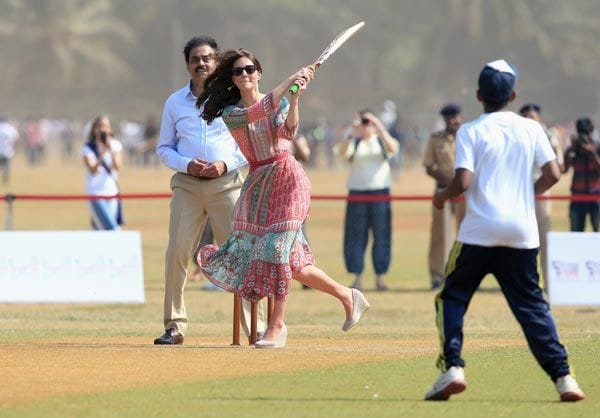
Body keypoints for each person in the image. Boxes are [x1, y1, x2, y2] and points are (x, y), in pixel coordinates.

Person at [425, 59, 585, 402]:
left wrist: (441, 196)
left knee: (450, 297)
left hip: (479, 232)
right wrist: (527, 194)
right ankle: (564, 378)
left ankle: (452, 367)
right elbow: (554, 173)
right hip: (521, 234)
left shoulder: (470, 130)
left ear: (479, 95)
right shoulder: (531, 128)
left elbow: (463, 181)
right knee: (533, 307)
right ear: (513, 95)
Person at [197, 49, 370, 348]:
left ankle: (276, 327)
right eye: (238, 72)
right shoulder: (232, 114)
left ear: (259, 72)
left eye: (250, 69)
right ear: (232, 79)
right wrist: (291, 80)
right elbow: (259, 111)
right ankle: (348, 295)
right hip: (258, 185)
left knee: (277, 251)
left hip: (289, 180)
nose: (245, 75)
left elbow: (288, 133)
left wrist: (296, 99)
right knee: (293, 264)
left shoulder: (280, 100)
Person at [154, 36, 266, 345]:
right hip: (187, 186)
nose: (201, 63)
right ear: (188, 65)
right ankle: (174, 326)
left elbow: (250, 145)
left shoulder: (234, 99)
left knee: (239, 255)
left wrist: (225, 164)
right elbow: (163, 148)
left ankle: (255, 328)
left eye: (207, 58)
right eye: (195, 59)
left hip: (226, 185)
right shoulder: (175, 102)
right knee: (176, 251)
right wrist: (187, 164)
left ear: (216, 63)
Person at [338, 110, 399, 292]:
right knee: (355, 237)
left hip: (380, 193)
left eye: (368, 122)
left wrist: (379, 126)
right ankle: (357, 278)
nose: (366, 125)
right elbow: (342, 152)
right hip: (357, 194)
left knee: (381, 236)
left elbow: (393, 148)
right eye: (363, 122)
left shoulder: (380, 142)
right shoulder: (354, 142)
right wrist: (352, 129)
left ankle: (380, 278)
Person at [519, 103, 565, 283]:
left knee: (543, 236)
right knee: (522, 237)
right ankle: (526, 279)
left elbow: (557, 168)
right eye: (525, 117)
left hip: (540, 187)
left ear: (539, 118)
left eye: (532, 117)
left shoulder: (547, 136)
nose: (529, 120)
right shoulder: (517, 135)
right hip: (519, 189)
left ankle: (547, 280)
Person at [423, 103, 466, 290]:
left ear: (460, 117)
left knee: (466, 234)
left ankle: (465, 274)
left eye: (455, 116)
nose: (452, 120)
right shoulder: (436, 139)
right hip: (442, 190)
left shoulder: (468, 136)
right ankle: (437, 276)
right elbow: (428, 166)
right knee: (439, 235)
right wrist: (446, 179)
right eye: (449, 117)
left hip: (464, 192)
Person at [82, 115, 123, 230]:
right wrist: (101, 153)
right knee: (111, 228)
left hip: (112, 193)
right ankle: (122, 242)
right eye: (99, 126)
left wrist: (111, 149)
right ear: (94, 130)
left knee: (99, 230)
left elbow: (117, 166)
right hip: (96, 194)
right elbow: (92, 170)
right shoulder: (88, 147)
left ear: (110, 129)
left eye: (105, 126)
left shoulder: (116, 145)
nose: (102, 130)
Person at [563, 117, 600, 232]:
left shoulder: (597, 147)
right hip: (577, 196)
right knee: (576, 233)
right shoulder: (573, 149)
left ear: (591, 132)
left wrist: (592, 154)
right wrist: (571, 151)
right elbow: (564, 169)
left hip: (596, 196)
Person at [0, 117, 19, 185]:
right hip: (7, 151)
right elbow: (15, 138)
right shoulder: (10, 128)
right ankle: (6, 181)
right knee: (6, 167)